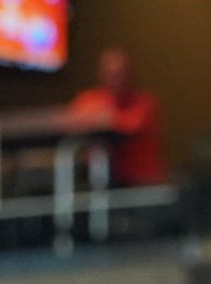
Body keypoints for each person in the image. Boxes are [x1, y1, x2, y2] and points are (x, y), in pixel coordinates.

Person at [67, 47, 166, 187]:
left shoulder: (144, 103)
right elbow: (70, 126)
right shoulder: (88, 100)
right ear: (101, 75)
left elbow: (130, 127)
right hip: (95, 181)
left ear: (130, 75)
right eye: (111, 74)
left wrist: (104, 119)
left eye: (121, 74)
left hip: (140, 184)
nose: (116, 80)